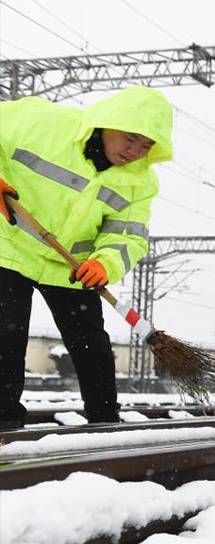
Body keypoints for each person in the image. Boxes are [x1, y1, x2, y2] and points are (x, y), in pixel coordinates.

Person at [0, 86, 174, 429]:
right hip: (9, 246)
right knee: (6, 334)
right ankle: (4, 424)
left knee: (91, 343)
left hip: (71, 266)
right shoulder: (40, 121)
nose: (135, 151)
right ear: (109, 122)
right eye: (130, 137)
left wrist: (104, 263)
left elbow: (127, 235)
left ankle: (105, 424)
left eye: (147, 145)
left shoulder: (141, 183)